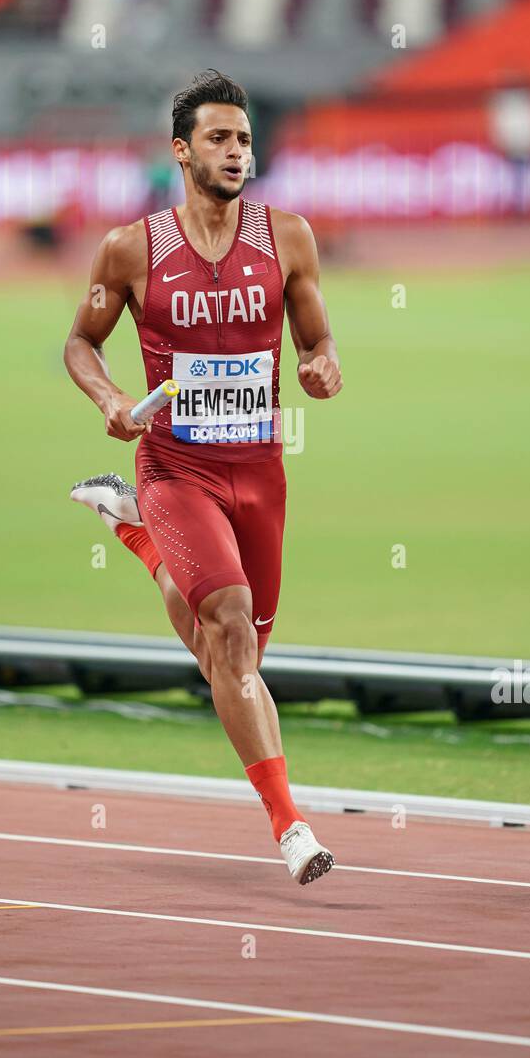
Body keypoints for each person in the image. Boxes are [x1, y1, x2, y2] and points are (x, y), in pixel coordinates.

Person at [64, 70, 343, 884]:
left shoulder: (288, 237)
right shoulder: (130, 248)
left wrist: (323, 367)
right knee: (227, 622)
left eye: (245, 139)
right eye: (219, 138)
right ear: (181, 150)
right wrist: (112, 396)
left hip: (259, 471)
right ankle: (291, 826)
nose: (236, 152)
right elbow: (80, 342)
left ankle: (143, 542)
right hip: (175, 466)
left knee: (233, 658)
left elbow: (317, 343)